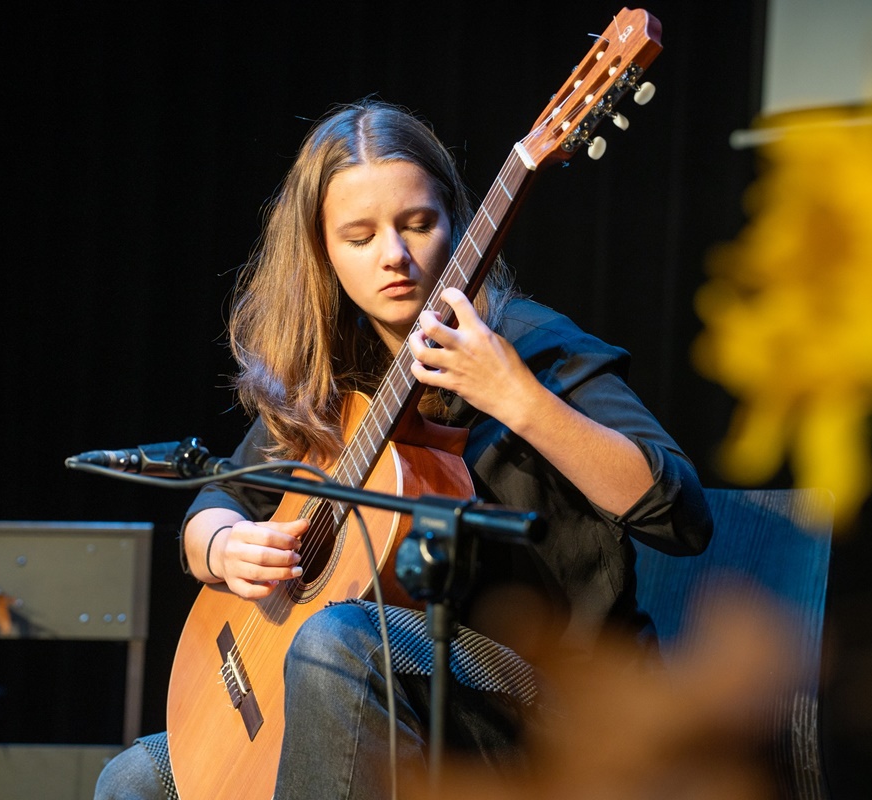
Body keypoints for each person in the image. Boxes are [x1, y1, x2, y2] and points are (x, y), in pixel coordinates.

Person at [95, 98, 712, 800]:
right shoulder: (335, 379)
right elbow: (220, 498)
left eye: (417, 224)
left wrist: (518, 399)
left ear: (455, 222)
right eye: (359, 237)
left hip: (553, 706)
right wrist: (222, 544)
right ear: (322, 252)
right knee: (135, 779)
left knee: (336, 644)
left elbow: (682, 514)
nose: (395, 255)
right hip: (386, 698)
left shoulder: (537, 349)